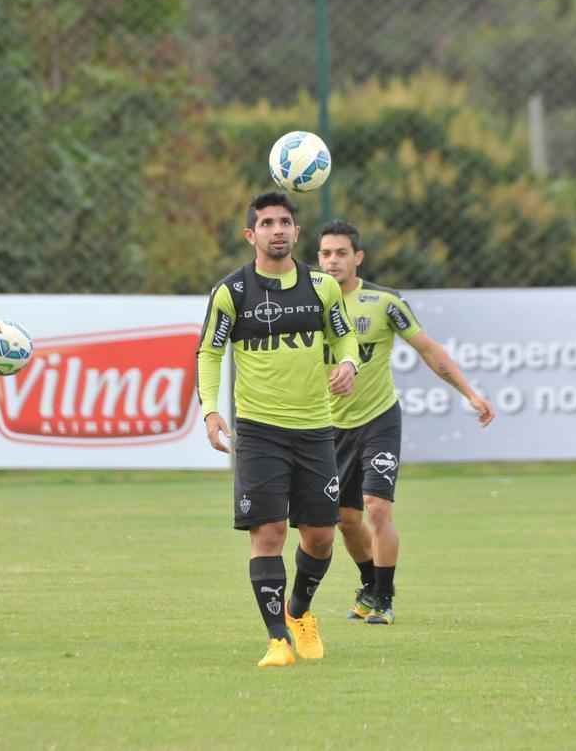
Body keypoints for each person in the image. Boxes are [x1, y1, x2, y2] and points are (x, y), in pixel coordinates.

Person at [197, 192, 362, 668]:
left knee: (320, 537)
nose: (278, 230)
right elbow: (208, 352)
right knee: (267, 533)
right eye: (267, 223)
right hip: (259, 431)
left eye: (285, 221)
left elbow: (343, 334)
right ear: (251, 235)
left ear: (296, 231)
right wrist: (211, 410)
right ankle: (277, 641)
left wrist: (348, 361)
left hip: (315, 428)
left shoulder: (321, 286)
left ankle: (300, 613)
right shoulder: (233, 292)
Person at [317, 220, 495, 625]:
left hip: (379, 419)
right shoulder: (309, 304)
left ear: (357, 258)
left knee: (377, 508)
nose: (332, 261)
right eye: (325, 253)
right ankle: (370, 584)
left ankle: (383, 597)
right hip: (329, 426)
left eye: (341, 253)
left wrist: (470, 392)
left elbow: (428, 350)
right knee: (345, 521)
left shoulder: (385, 303)